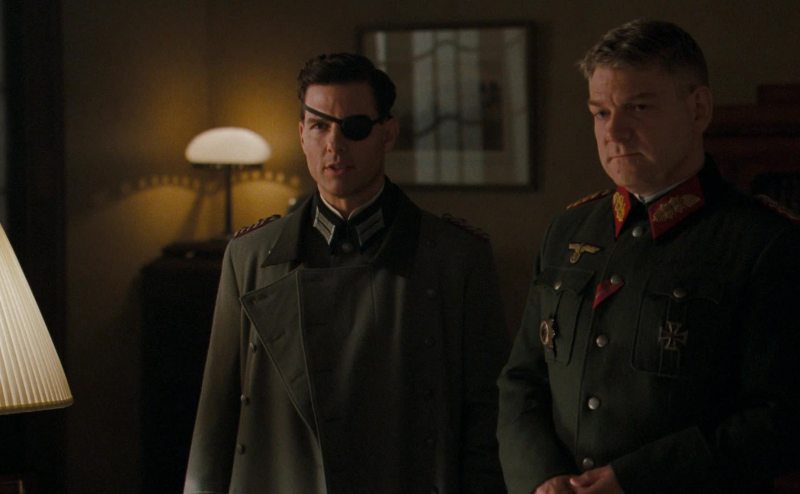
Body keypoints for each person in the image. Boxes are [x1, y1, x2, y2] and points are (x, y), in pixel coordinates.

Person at [497, 18, 800, 494]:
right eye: (600, 112)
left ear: (698, 109)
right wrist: (541, 479)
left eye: (638, 107)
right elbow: (522, 381)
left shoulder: (764, 243)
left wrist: (634, 480)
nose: (614, 132)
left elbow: (782, 417)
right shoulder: (568, 230)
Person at [183, 53, 509, 494]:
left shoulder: (456, 258)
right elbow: (215, 419)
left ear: (387, 134)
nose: (334, 145)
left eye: (353, 127)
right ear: (301, 134)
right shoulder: (250, 257)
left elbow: (487, 421)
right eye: (319, 126)